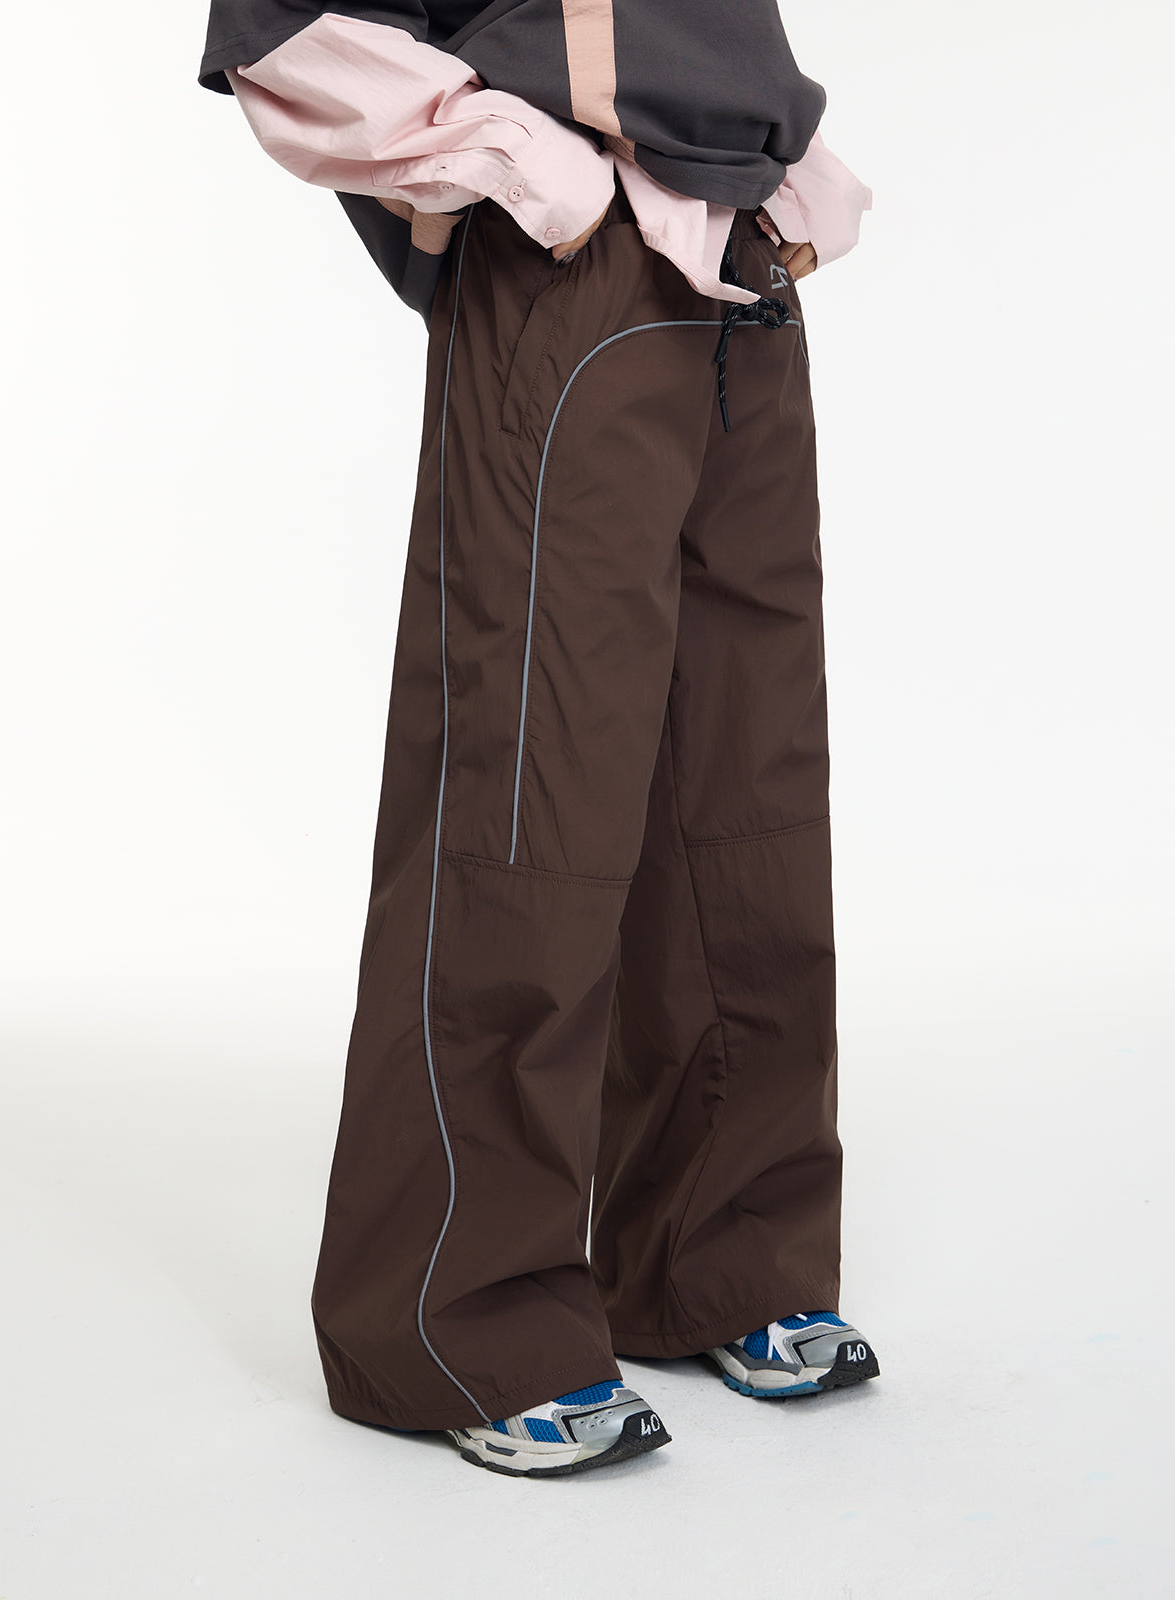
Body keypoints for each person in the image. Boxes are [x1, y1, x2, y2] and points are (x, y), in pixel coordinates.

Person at [198, 1, 878, 1478]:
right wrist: (532, 169)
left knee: (743, 795)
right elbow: (277, 26)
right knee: (528, 789)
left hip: (740, 267)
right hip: (573, 280)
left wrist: (782, 167)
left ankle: (719, 1255)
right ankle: (455, 1320)